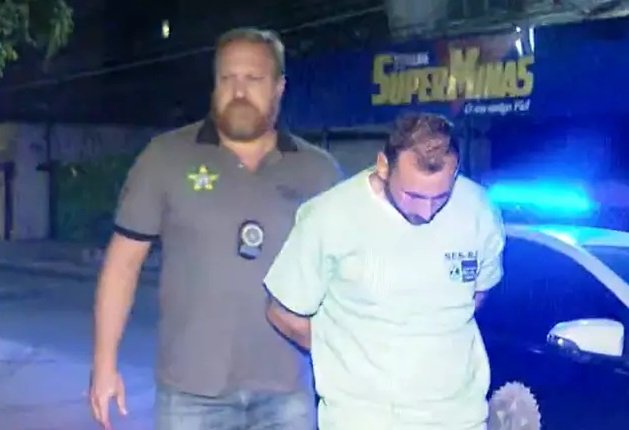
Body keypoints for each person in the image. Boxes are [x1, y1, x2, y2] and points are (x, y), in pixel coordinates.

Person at [89, 27, 342, 430]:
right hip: (190, 394)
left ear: (279, 87)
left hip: (287, 393)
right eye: (227, 78)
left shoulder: (318, 171)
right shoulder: (165, 157)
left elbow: (347, 275)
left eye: (253, 79)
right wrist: (104, 365)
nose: (239, 91)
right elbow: (122, 265)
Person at [265, 112, 506, 430]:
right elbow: (283, 312)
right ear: (383, 166)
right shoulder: (328, 217)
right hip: (363, 419)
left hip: (460, 418)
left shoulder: (478, 209)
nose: (426, 212)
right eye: (413, 196)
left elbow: (477, 294)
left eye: (441, 197)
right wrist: (350, 354)